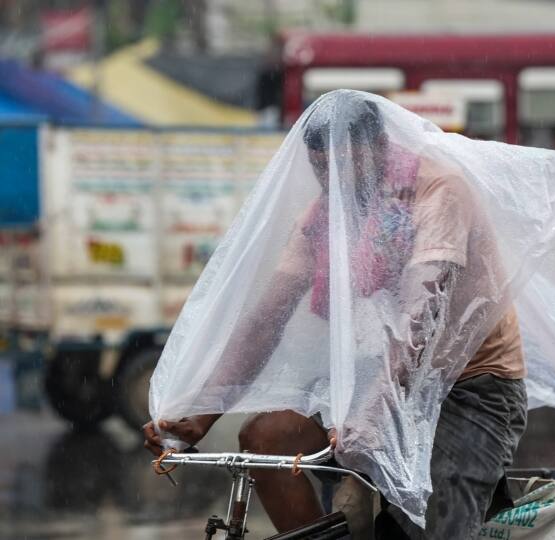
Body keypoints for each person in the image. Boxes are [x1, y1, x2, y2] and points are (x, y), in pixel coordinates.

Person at [144, 91, 528, 539]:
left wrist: (372, 412)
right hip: (373, 379)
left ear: (381, 150)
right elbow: (265, 319)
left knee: (437, 522)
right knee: (266, 440)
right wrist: (199, 417)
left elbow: (418, 315)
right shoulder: (324, 213)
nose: (334, 184)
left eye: (345, 168)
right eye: (321, 170)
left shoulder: (437, 189)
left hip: (469, 383)